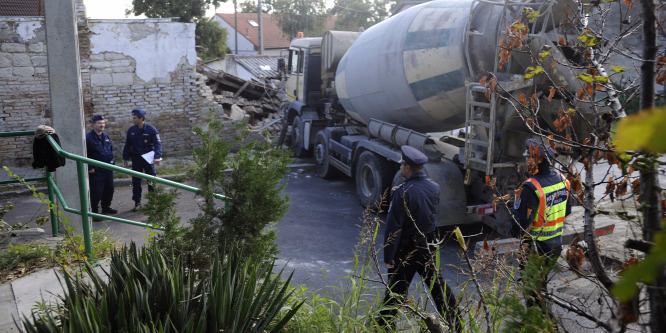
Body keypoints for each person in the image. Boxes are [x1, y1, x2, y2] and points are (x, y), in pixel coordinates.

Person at [380, 145, 461, 331]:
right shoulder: (434, 187)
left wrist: (388, 256)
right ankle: (457, 323)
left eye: (402, 165)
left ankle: (384, 326)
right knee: (438, 288)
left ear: (407, 167)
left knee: (396, 291)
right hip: (428, 247)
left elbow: (394, 228)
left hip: (406, 250)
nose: (400, 168)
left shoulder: (402, 192)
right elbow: (427, 215)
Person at [512, 138, 571, 310]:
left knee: (532, 291)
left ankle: (538, 321)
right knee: (540, 285)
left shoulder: (531, 187)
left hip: (535, 248)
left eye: (527, 158)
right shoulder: (563, 180)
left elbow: (521, 223)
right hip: (555, 246)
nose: (526, 161)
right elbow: (567, 211)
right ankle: (541, 320)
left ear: (533, 161)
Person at [122, 109, 162, 211]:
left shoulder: (151, 130)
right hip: (136, 159)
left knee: (151, 180)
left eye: (135, 118)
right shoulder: (132, 130)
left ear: (141, 118)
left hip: (148, 158)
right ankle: (137, 202)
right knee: (136, 181)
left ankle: (153, 202)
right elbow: (127, 145)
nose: (133, 120)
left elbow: (157, 144)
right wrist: (125, 157)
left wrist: (157, 156)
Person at [86, 115, 117, 221]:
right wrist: (90, 167)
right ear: (93, 125)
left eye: (103, 123)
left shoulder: (105, 136)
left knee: (109, 189)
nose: (101, 125)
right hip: (97, 170)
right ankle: (95, 212)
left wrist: (112, 163)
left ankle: (106, 207)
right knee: (96, 191)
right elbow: (85, 154)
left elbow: (110, 150)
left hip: (108, 168)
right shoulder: (89, 138)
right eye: (99, 123)